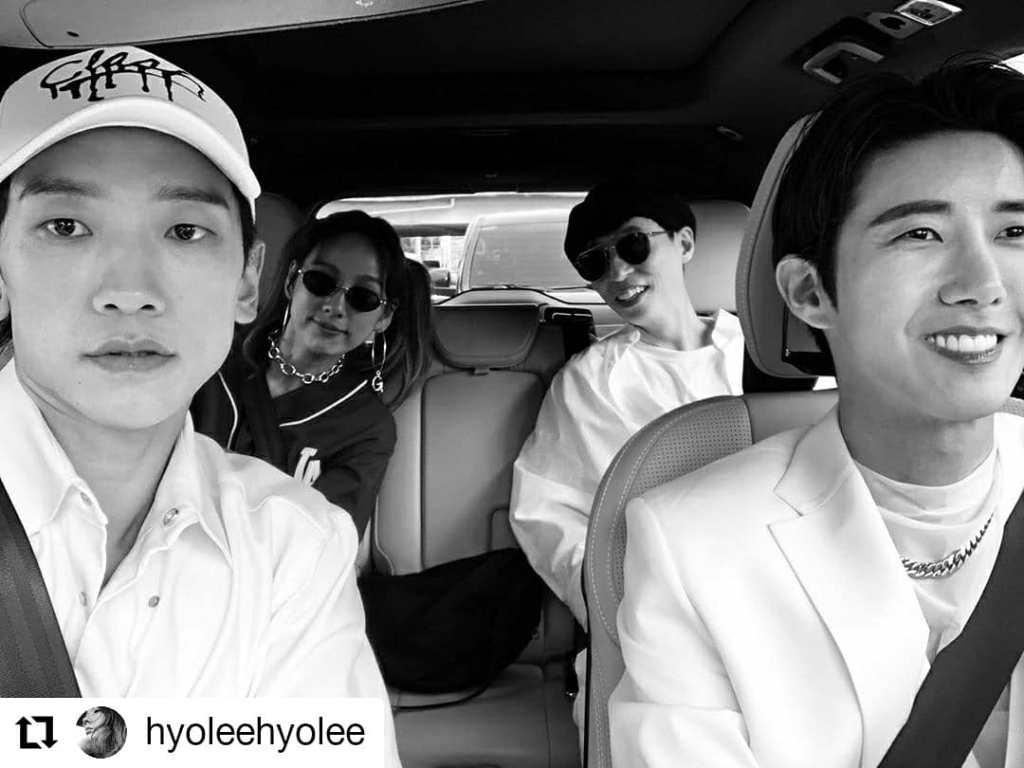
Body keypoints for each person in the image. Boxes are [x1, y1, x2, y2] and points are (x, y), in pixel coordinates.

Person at [610, 59, 1024, 767]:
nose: (981, 284)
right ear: (809, 293)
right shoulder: (690, 541)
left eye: (1015, 233)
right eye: (919, 234)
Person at [0, 45, 399, 759]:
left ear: (247, 282)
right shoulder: (234, 389)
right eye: (66, 226)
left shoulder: (294, 545)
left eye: (185, 231)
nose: (130, 290)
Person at [510, 181, 744, 629]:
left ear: (684, 244)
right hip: (667, 607)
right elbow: (550, 514)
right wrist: (623, 610)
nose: (617, 272)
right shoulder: (592, 379)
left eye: (633, 245)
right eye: (595, 262)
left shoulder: (770, 358)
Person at [191, 211, 433, 536]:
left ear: (383, 317)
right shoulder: (211, 356)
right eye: (321, 281)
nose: (335, 306)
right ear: (293, 282)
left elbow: (328, 544)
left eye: (363, 297)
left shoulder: (365, 426)